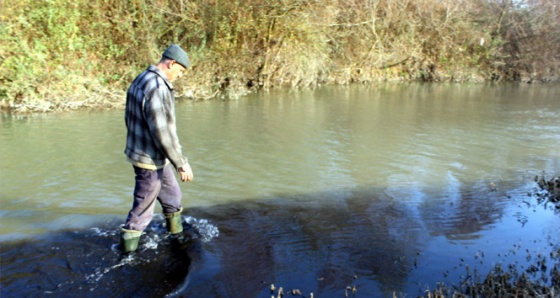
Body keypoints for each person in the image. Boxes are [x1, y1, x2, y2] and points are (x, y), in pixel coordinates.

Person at [121, 44, 194, 253]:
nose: (179, 76)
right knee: (141, 212)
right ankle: (126, 257)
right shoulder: (158, 87)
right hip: (148, 160)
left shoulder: (142, 78)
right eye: (180, 71)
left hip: (150, 154)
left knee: (172, 198)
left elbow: (129, 117)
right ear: (171, 63)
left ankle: (177, 238)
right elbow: (163, 133)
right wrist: (181, 163)